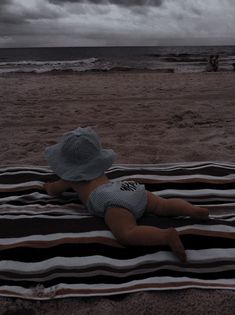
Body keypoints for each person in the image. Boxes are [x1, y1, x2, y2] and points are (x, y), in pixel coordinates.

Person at [44, 127, 209, 262]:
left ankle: (165, 236)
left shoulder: (70, 178)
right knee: (162, 204)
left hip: (113, 201)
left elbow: (54, 190)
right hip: (127, 186)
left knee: (126, 233)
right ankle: (192, 210)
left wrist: (48, 186)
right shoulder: (99, 168)